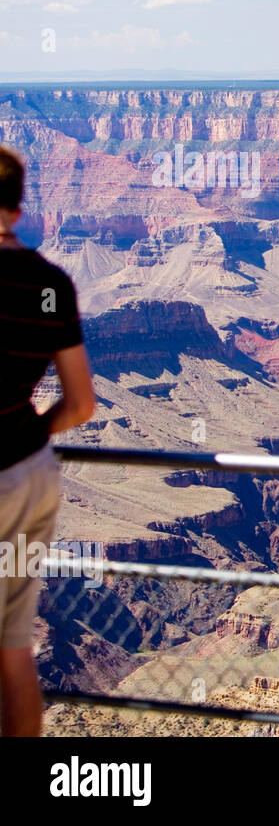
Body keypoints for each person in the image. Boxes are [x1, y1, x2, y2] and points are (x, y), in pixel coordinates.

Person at [0, 145, 95, 736]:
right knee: (13, 646)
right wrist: (29, 428)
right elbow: (82, 403)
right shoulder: (50, 283)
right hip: (31, 476)